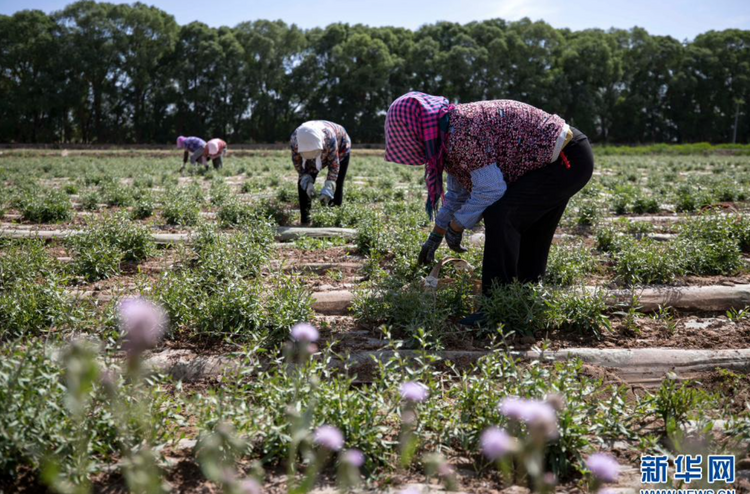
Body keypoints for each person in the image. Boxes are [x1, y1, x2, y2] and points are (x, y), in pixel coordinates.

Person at [384, 91, 594, 326]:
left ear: (417, 128)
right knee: (526, 225)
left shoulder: (459, 133)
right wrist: (437, 234)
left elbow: (490, 190)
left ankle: (495, 309)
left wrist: (457, 225)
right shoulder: (447, 135)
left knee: (501, 214)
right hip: (557, 159)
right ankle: (524, 300)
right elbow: (457, 194)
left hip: (566, 158)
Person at [290, 120, 351, 225]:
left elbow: (334, 166)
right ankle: (305, 219)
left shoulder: (329, 139)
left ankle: (334, 218)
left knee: (338, 183)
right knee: (303, 183)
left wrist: (329, 186)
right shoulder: (295, 141)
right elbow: (299, 165)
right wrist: (306, 180)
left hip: (340, 146)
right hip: (313, 152)